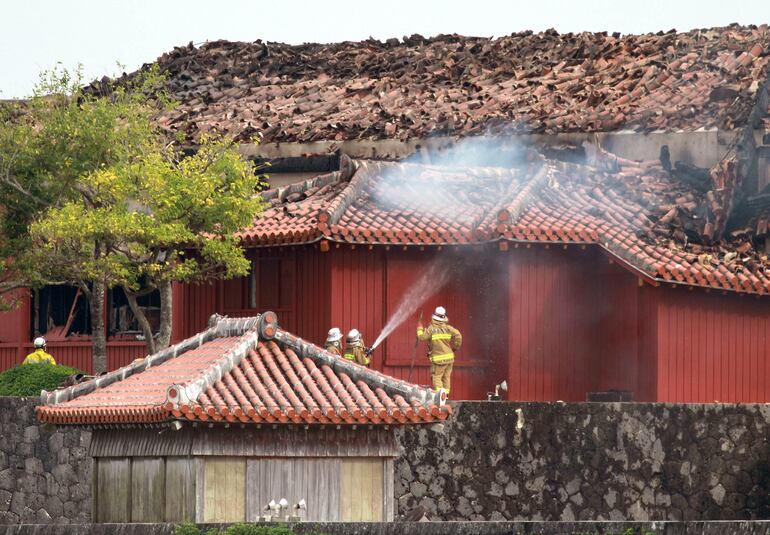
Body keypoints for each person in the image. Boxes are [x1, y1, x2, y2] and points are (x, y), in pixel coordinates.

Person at [417, 306, 462, 397]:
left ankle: (441, 396)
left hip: (439, 360)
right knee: (446, 377)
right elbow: (458, 335)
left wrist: (419, 329)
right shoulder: (448, 328)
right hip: (449, 358)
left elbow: (421, 337)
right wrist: (455, 348)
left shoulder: (431, 329)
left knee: (436, 377)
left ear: (434, 316)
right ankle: (446, 396)